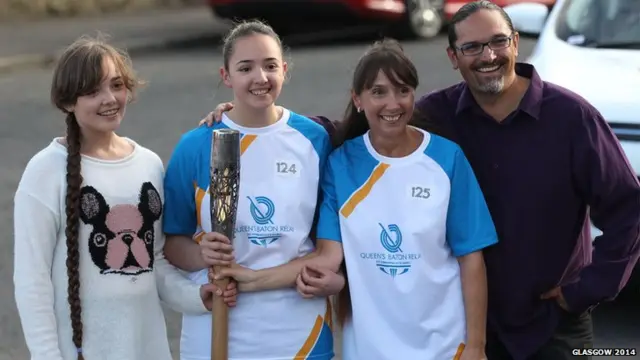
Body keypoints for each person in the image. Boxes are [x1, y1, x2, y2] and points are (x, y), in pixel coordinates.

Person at [201, 2, 640, 359]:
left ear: (515, 43)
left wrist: (586, 289)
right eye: (472, 47)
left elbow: (626, 206)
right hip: (471, 321)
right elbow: (357, 127)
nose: (487, 56)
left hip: (551, 325)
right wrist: (248, 115)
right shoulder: (438, 115)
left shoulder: (571, 117)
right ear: (453, 58)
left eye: (497, 42)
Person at [201, 36, 498, 360]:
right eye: (378, 92)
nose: (393, 104)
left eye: (403, 90)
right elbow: (327, 258)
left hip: (446, 347)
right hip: (370, 350)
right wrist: (249, 280)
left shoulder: (446, 158)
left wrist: (476, 346)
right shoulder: (341, 163)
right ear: (358, 99)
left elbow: (471, 259)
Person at [13, 36, 237, 360]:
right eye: (92, 91)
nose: (109, 99)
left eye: (116, 85)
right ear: (67, 101)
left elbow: (155, 262)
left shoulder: (147, 164)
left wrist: (196, 296)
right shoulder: (45, 172)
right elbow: (31, 282)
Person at [162, 20, 344, 360]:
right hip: (219, 322)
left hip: (300, 329)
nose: (260, 78)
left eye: (270, 66)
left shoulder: (315, 139)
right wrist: (205, 255)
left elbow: (329, 241)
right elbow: (172, 242)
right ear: (226, 75)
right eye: (245, 68)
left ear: (285, 70)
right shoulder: (197, 145)